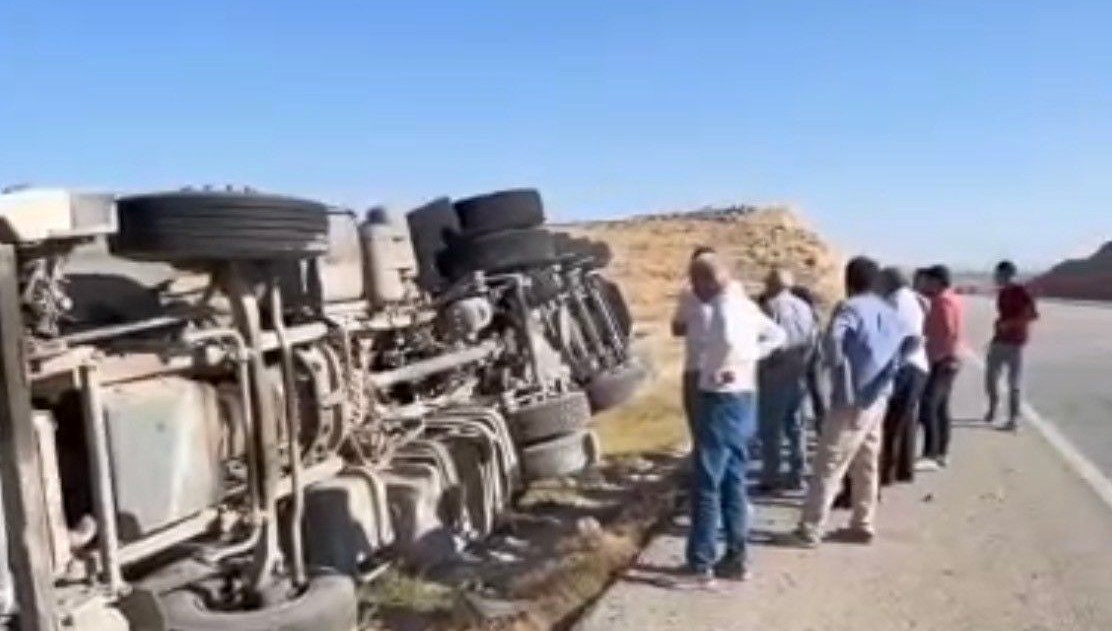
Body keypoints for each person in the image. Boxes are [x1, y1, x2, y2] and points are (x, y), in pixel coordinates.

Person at [790, 256, 915, 547]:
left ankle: (811, 527)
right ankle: (863, 522)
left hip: (851, 399)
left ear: (849, 281)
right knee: (867, 461)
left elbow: (833, 340)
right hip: (878, 397)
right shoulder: (889, 311)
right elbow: (909, 344)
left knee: (829, 462)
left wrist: (839, 371)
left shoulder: (850, 308)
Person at [679, 252, 785, 586]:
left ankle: (701, 561)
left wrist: (728, 367)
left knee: (707, 482)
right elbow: (777, 335)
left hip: (718, 397)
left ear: (709, 280)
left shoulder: (720, 312)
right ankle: (737, 557)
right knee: (734, 479)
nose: (694, 289)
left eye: (697, 282)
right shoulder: (745, 305)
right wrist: (750, 360)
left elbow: (723, 346)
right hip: (745, 397)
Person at [757, 269, 817, 493]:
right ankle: (797, 473)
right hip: (798, 370)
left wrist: (761, 366)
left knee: (771, 429)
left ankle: (771, 476)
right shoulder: (804, 307)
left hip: (774, 372)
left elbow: (764, 340)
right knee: (797, 426)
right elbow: (813, 338)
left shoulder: (769, 308)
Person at [878, 267, 929, 484]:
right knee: (906, 421)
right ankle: (903, 470)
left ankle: (886, 473)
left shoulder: (895, 302)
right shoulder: (913, 299)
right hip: (918, 365)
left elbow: (902, 337)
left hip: (905, 366)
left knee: (890, 424)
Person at [918, 264, 964, 470]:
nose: (925, 284)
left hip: (942, 360)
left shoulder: (941, 302)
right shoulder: (953, 298)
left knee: (929, 405)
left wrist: (938, 357)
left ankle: (931, 452)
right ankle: (942, 452)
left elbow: (948, 331)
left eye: (928, 280)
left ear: (937, 281)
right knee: (941, 407)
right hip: (951, 359)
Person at [984, 260, 1038, 432]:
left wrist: (1010, 324)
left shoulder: (1021, 291)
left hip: (1015, 342)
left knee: (1013, 383)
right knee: (990, 377)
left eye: (998, 275)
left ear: (1007, 275)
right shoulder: (1002, 293)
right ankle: (993, 407)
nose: (996, 278)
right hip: (999, 340)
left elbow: (1032, 314)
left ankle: (1013, 419)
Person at [671, 246, 719, 439]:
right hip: (710, 364)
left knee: (701, 419)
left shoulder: (688, 295)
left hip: (701, 366)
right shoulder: (730, 292)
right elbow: (676, 328)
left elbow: (677, 328)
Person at [790, 284, 827, 434]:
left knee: (813, 394)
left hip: (808, 355)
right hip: (816, 356)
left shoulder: (803, 314)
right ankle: (821, 428)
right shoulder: (813, 313)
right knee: (818, 394)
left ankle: (817, 427)